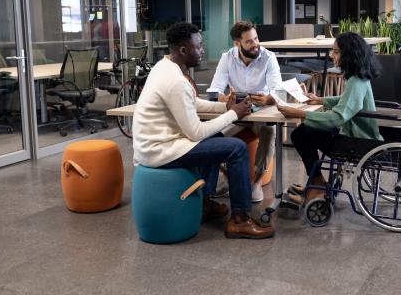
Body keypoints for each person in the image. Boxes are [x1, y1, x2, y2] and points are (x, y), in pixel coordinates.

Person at [132, 22, 274, 239]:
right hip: (161, 151)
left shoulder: (164, 67)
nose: (202, 51)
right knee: (236, 149)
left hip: (157, 145)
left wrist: (224, 107)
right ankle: (240, 220)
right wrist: (234, 113)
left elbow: (193, 103)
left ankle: (204, 202)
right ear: (183, 50)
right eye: (198, 46)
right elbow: (196, 133)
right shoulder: (175, 81)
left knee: (217, 137)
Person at [277, 32, 383, 204]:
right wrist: (321, 100)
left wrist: (300, 114)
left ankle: (317, 185)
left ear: (348, 54)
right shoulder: (359, 77)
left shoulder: (356, 81)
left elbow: (338, 117)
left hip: (356, 142)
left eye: (336, 51)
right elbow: (346, 102)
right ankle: (315, 183)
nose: (332, 55)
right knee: (305, 132)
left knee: (300, 135)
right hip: (357, 134)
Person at [208, 21, 282, 203]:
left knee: (269, 132)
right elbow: (213, 90)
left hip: (260, 116)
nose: (255, 43)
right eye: (249, 41)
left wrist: (268, 99)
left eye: (256, 38)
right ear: (237, 43)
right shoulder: (227, 58)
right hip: (236, 116)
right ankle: (226, 175)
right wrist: (224, 98)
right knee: (208, 139)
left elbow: (279, 91)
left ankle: (256, 183)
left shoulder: (268, 57)